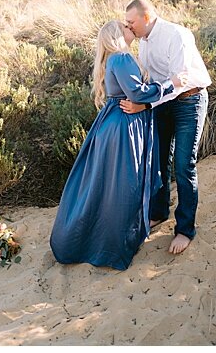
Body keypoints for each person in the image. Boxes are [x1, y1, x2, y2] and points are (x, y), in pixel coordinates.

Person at [50, 21, 184, 270]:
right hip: (124, 127)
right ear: (117, 35)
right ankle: (112, 242)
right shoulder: (121, 58)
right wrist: (171, 84)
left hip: (114, 123)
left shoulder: (114, 59)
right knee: (123, 186)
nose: (129, 28)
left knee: (108, 184)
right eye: (125, 26)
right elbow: (138, 94)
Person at [120, 0, 212, 255]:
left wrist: (145, 106)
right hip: (162, 105)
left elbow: (178, 80)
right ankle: (159, 212)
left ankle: (185, 230)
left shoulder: (176, 34)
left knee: (184, 164)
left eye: (131, 22)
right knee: (158, 161)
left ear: (146, 17)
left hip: (189, 101)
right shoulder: (143, 44)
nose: (128, 27)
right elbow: (152, 81)